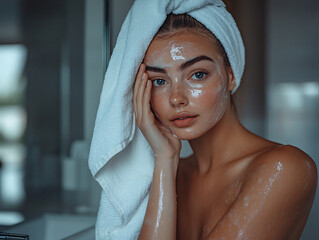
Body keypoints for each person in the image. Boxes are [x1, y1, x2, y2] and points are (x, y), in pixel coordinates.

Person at [133, 13, 317, 239]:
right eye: (159, 81)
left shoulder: (285, 168)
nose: (176, 98)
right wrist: (164, 157)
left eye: (198, 74)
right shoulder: (170, 173)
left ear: (231, 76)